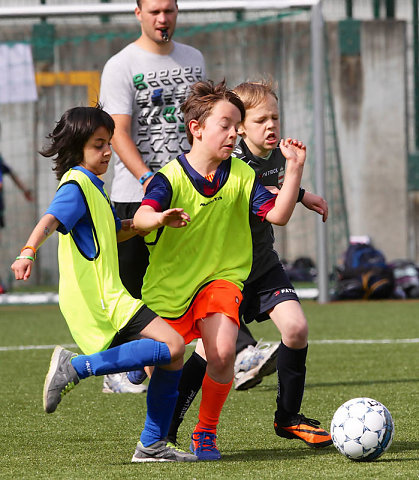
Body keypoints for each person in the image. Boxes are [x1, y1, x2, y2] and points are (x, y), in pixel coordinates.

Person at [10, 105, 197, 463]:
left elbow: (114, 231)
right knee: (173, 345)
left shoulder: (95, 187)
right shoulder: (76, 186)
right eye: (99, 144)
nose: (108, 152)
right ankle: (76, 367)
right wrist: (28, 251)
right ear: (78, 147)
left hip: (109, 295)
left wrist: (155, 220)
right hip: (103, 298)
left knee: (169, 359)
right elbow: (49, 219)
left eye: (109, 143)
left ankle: (152, 445)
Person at [132, 79, 307, 460]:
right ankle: (97, 368)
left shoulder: (242, 175)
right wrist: (159, 217)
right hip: (171, 289)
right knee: (163, 367)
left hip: (220, 282)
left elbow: (277, 215)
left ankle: (205, 433)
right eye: (225, 126)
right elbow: (141, 217)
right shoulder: (170, 178)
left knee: (223, 353)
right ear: (196, 129)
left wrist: (294, 171)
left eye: (235, 126)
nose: (233, 134)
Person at [166, 79, 332, 450]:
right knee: (210, 354)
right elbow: (267, 197)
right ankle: (169, 426)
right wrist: (295, 185)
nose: (271, 126)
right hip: (226, 274)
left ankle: (288, 417)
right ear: (240, 125)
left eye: (275, 117)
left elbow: (275, 186)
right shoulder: (231, 161)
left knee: (296, 329)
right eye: (261, 120)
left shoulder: (277, 155)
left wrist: (301, 192)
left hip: (263, 266)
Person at [99, 0, 206, 393]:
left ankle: (224, 351)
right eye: (155, 11)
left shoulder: (194, 59)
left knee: (186, 279)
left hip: (186, 192)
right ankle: (116, 368)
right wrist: (148, 178)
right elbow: (117, 132)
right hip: (137, 195)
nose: (163, 19)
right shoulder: (121, 65)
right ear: (138, 13)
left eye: (170, 11)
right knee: (130, 288)